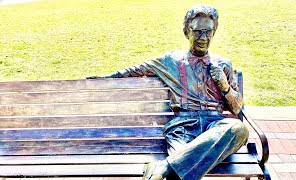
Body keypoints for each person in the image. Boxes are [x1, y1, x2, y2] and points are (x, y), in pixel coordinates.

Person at [88, 4, 249, 180]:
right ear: (187, 31)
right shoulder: (170, 61)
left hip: (215, 127)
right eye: (197, 31)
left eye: (208, 32)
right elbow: (136, 70)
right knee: (182, 170)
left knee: (238, 129)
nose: (203, 38)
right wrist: (104, 79)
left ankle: (164, 166)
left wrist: (225, 87)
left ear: (214, 32)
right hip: (183, 127)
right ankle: (172, 167)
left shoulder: (223, 64)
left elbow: (237, 109)